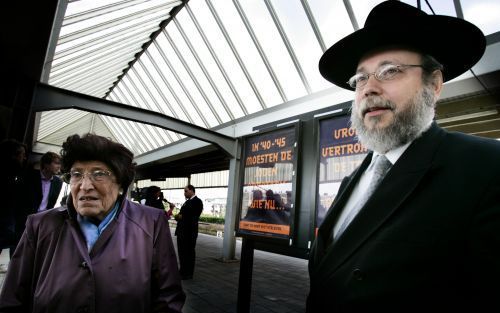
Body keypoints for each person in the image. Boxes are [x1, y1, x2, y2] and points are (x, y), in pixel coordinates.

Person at [307, 1, 500, 312]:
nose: (368, 89)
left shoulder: (487, 168)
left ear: (434, 84)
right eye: (360, 79)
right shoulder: (350, 181)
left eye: (390, 71)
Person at [0, 133, 185, 312]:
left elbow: (168, 299)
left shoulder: (151, 222)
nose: (85, 185)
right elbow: (13, 299)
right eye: (77, 174)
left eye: (99, 174)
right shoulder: (39, 225)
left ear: (120, 182)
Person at [0, 139, 27, 262]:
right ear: (13, 156)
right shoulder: (10, 178)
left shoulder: (14, 176)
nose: (24, 158)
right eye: (22, 155)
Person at [174, 184, 203, 280]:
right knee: (182, 252)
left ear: (192, 191)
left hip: (189, 232)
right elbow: (182, 214)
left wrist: (182, 217)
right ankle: (182, 271)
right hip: (182, 232)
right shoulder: (187, 202)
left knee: (189, 252)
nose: (184, 193)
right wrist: (178, 216)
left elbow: (194, 216)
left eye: (186, 191)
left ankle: (188, 273)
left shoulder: (198, 202)